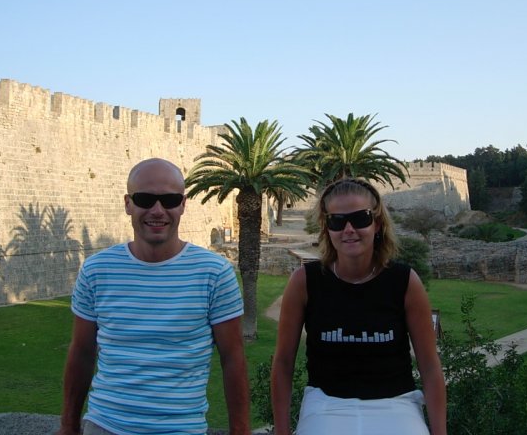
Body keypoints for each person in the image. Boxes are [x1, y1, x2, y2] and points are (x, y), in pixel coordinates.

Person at [57, 158, 250, 435]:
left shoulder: (214, 273)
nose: (157, 211)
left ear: (182, 204)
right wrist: (68, 426)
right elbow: (81, 352)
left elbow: (233, 358)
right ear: (128, 204)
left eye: (169, 200)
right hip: (105, 425)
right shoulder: (96, 270)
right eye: (145, 199)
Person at [271, 178, 447, 435]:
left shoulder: (404, 282)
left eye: (360, 218)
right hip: (326, 405)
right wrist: (282, 431)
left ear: (377, 223)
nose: (349, 229)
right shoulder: (305, 282)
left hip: (396, 403)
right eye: (337, 221)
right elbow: (283, 362)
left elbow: (429, 366)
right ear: (327, 228)